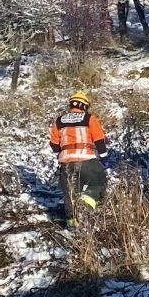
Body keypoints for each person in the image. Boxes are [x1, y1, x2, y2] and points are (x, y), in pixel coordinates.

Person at [49, 91, 109, 227]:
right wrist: (104, 158)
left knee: (70, 194)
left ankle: (72, 225)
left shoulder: (59, 120)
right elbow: (99, 139)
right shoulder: (89, 118)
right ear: (85, 106)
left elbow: (53, 144)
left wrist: (62, 153)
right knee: (99, 183)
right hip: (87, 159)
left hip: (66, 163)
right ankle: (85, 204)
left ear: (71, 104)